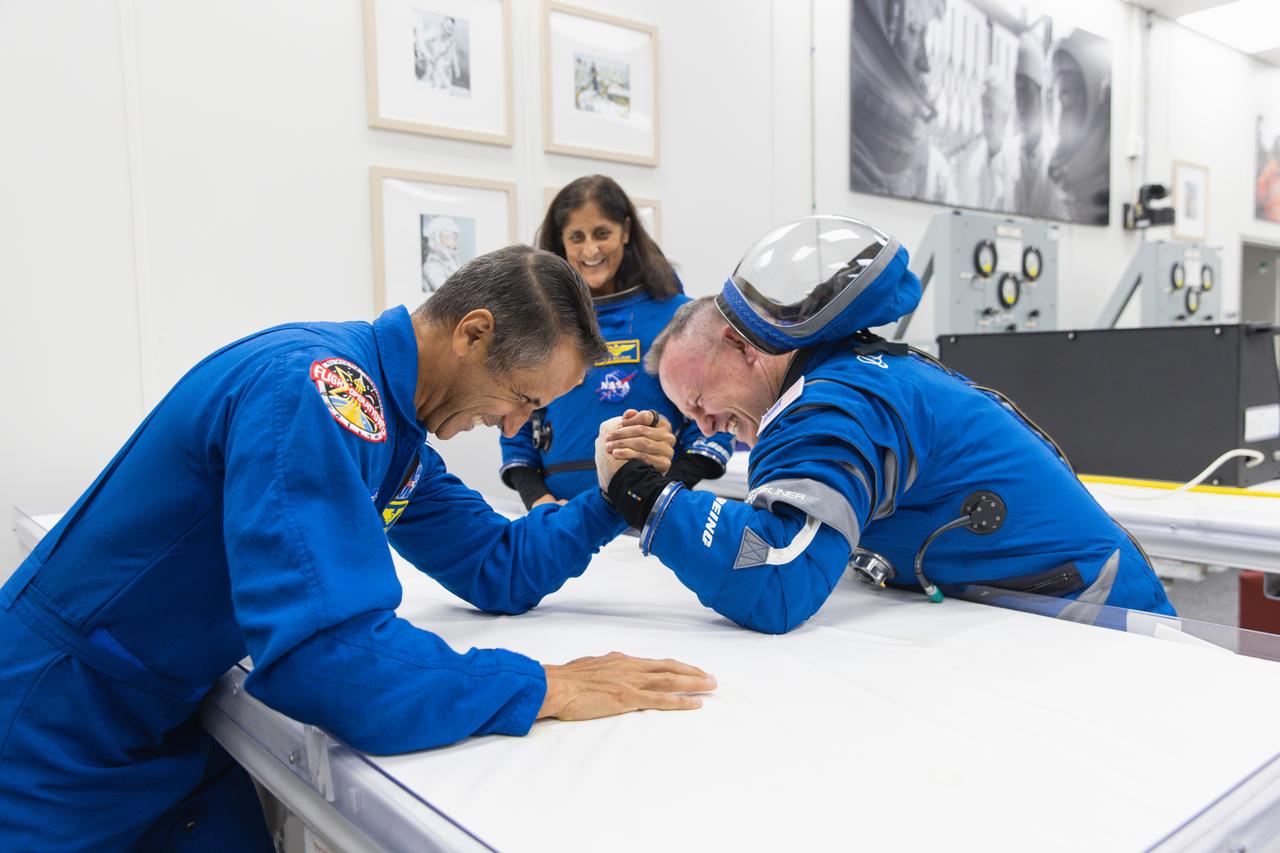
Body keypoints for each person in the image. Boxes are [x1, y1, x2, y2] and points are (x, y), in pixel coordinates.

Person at [0, 245, 715, 849]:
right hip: (54, 726)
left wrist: (610, 498)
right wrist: (545, 685)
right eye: (524, 397)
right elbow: (325, 657)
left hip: (158, 721)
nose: (514, 421)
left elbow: (493, 564)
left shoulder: (392, 428)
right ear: (472, 332)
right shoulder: (315, 391)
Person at [594, 215, 1174, 635]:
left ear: (741, 347)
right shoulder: (853, 371)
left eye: (697, 400)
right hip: (1046, 606)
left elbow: (775, 577)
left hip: (1091, 621)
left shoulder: (829, 404)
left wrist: (643, 495)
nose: (707, 426)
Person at [499, 176, 734, 510]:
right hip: (560, 513)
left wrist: (659, 496)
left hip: (655, 517)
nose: (590, 250)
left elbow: (715, 415)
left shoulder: (679, 316)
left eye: (602, 233)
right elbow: (516, 419)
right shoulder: (543, 323)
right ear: (560, 242)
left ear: (625, 231)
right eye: (576, 237)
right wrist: (540, 501)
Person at [1012, 29, 1066, 220]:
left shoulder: (1058, 158)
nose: (1021, 103)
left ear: (1040, 95)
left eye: (1026, 91)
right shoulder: (1008, 154)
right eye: (1017, 92)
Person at [955, 67, 1017, 212]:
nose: (986, 124)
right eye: (984, 115)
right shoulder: (972, 161)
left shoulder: (1014, 164)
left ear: (1005, 119)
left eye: (991, 117)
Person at [422, 214, 463, 292]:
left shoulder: (452, 260)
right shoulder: (432, 266)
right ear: (436, 238)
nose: (452, 241)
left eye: (454, 237)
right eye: (448, 236)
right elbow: (444, 294)